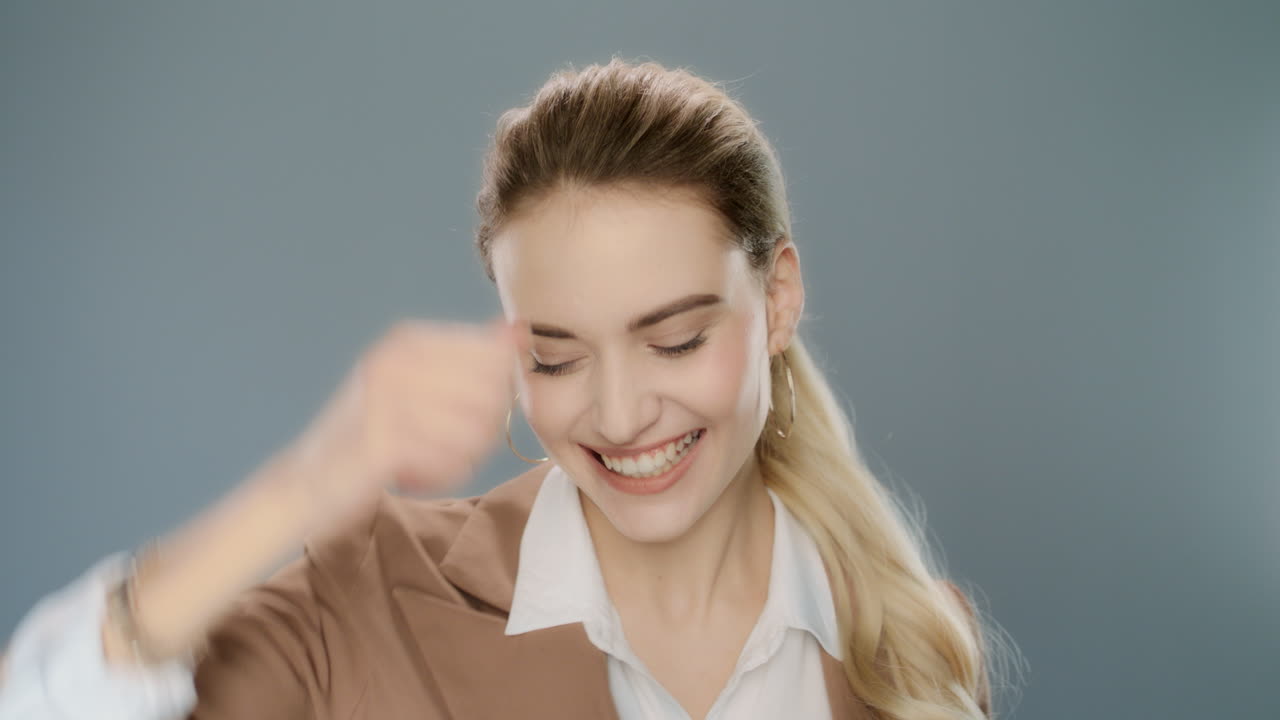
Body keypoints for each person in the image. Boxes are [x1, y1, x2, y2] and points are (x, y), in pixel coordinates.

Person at [0, 58, 998, 719]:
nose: (615, 415)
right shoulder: (374, 595)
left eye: (676, 340)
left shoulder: (910, 649)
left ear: (777, 299)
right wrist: (304, 483)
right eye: (556, 359)